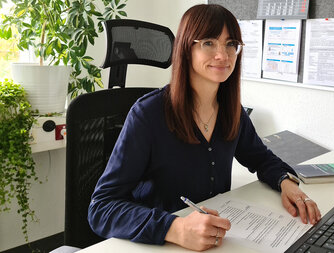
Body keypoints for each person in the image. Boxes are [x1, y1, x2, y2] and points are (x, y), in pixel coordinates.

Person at [88, 4, 321, 251]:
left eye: (231, 44)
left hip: (215, 242)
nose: (223, 55)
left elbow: (262, 159)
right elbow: (102, 207)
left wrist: (286, 183)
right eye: (209, 43)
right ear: (186, 49)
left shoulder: (232, 111)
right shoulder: (148, 114)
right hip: (160, 245)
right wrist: (175, 227)